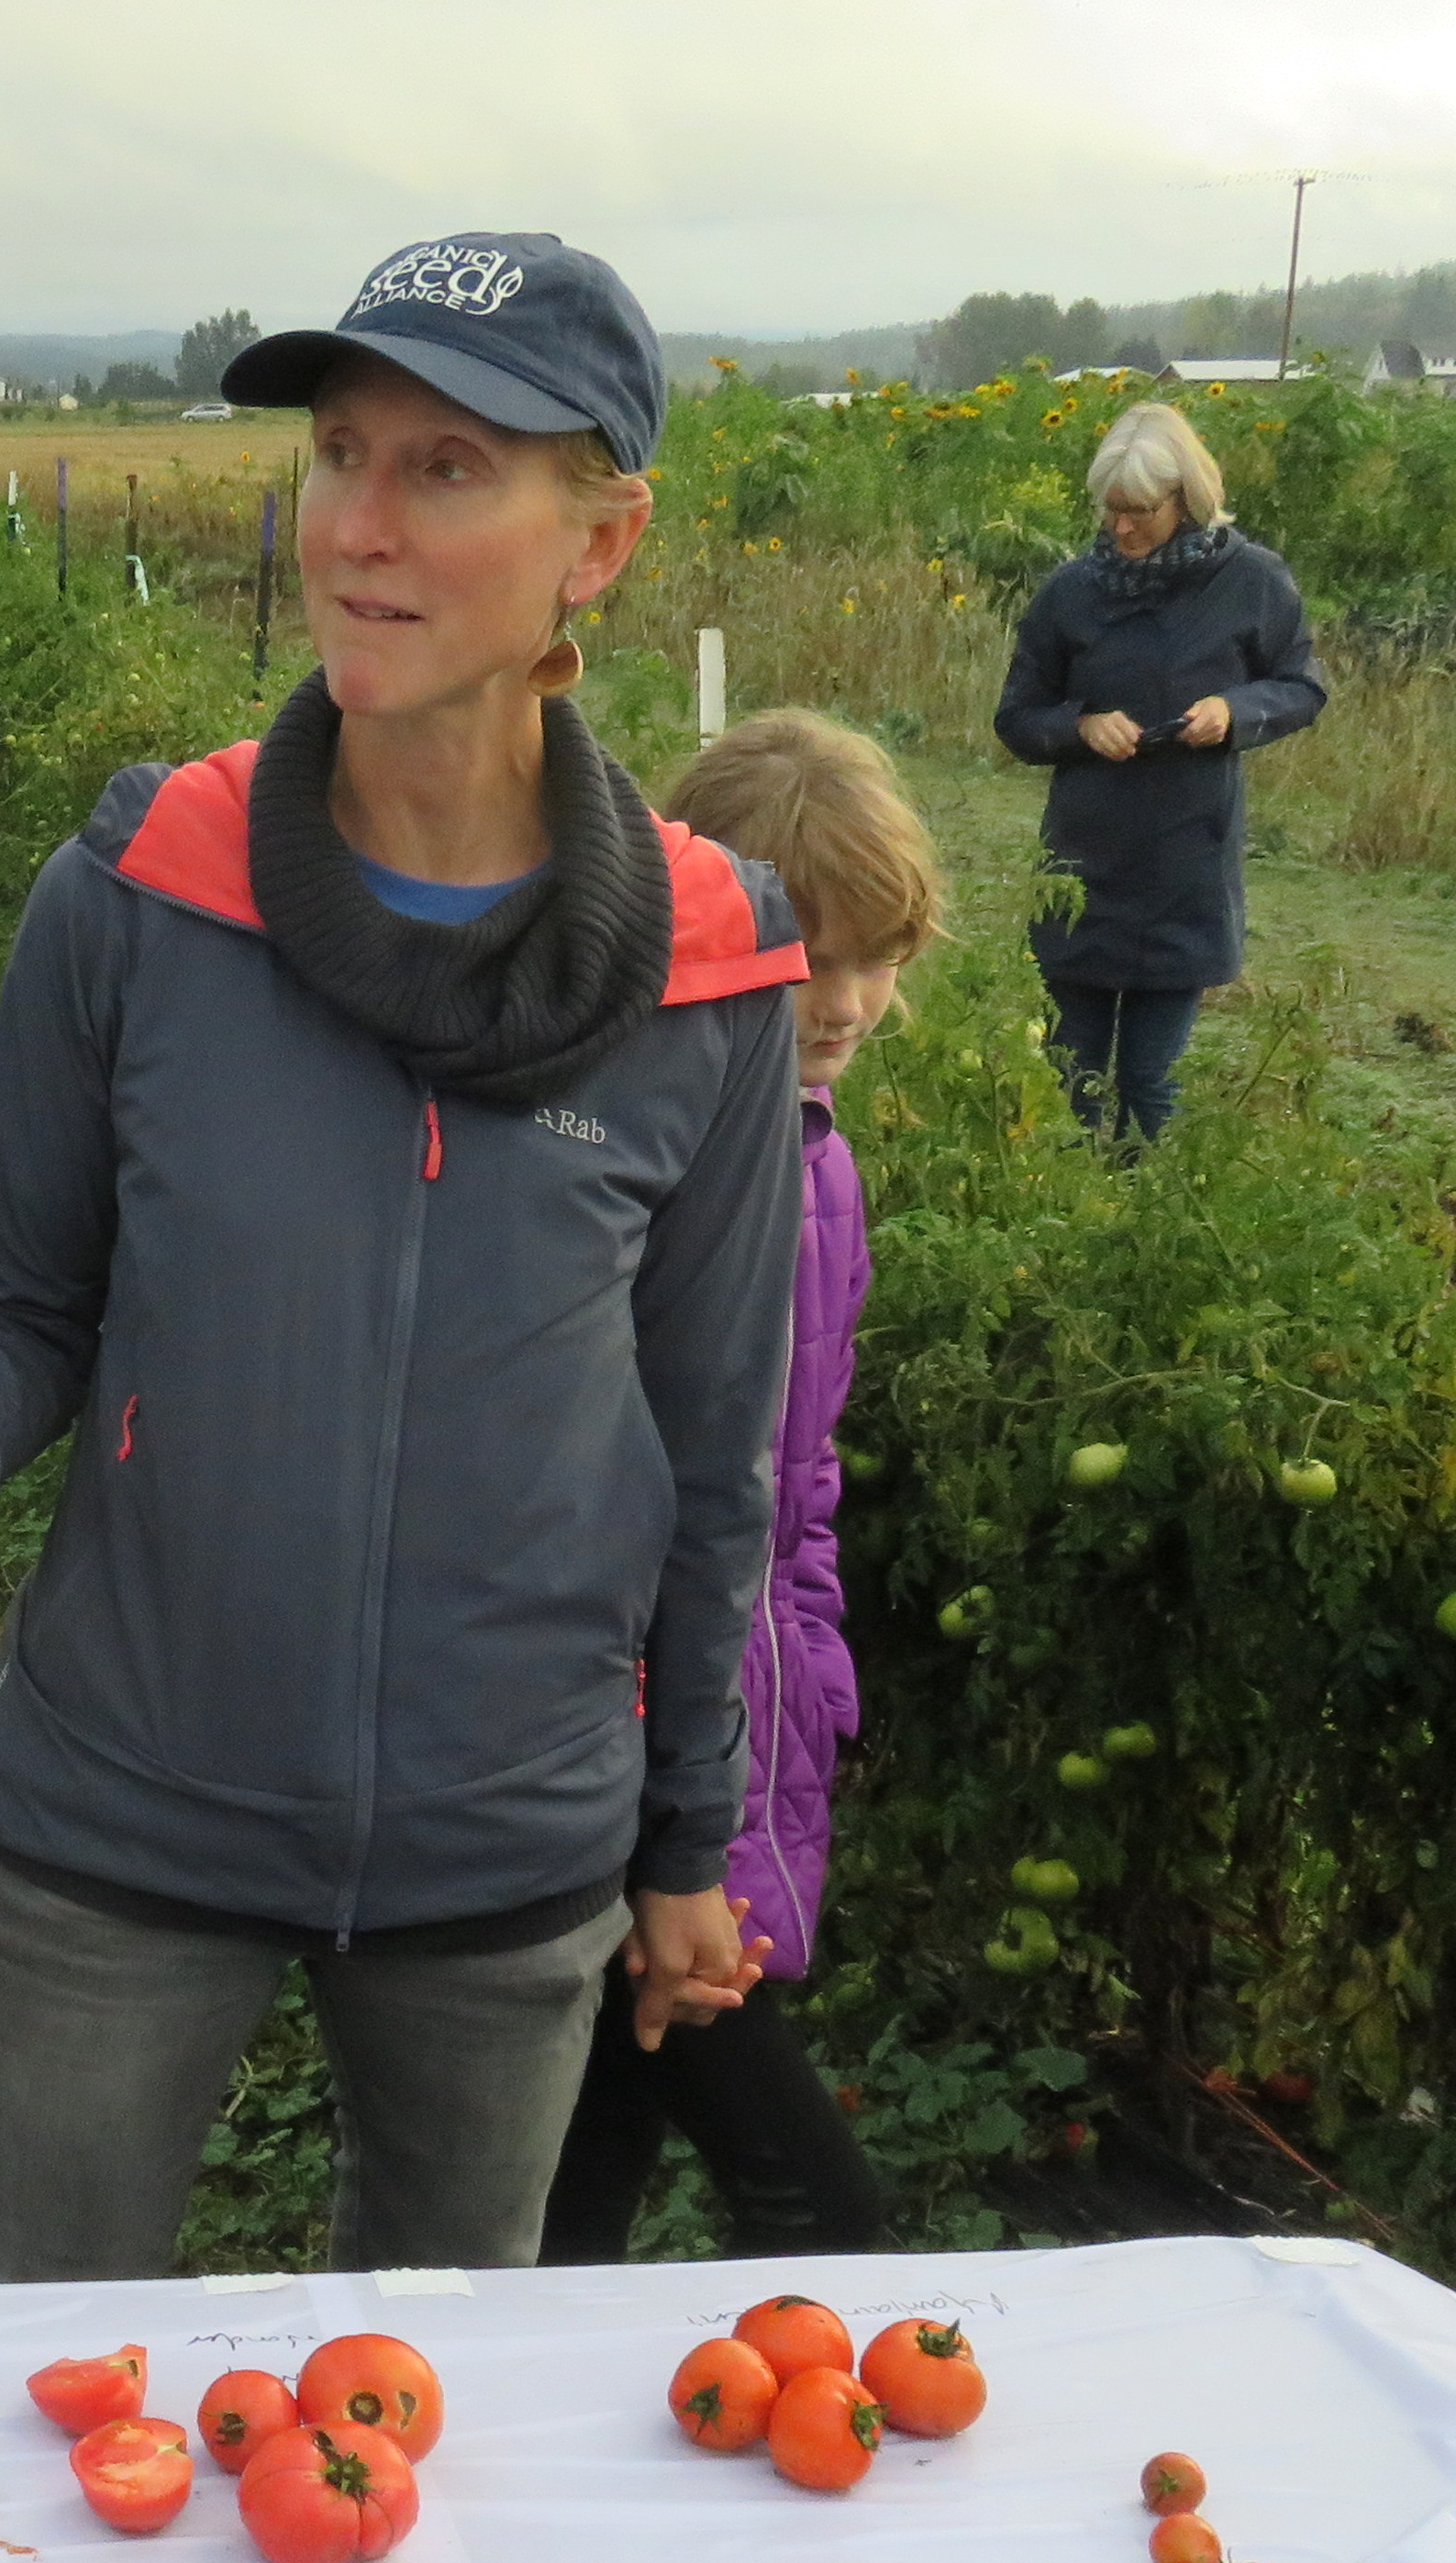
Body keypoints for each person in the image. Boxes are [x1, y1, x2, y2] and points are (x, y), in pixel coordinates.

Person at [0, 231, 809, 2281]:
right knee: (52, 2402)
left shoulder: (708, 977)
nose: (355, 528)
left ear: (599, 541)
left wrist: (681, 1843)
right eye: (337, 453)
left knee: (414, 2426)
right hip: (124, 1832)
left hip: (503, 1856)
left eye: (446, 470)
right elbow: (9, 1302)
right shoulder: (144, 891)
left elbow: (710, 1457)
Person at [540, 709, 942, 2264]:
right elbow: (633, 1521)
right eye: (807, 957)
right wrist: (674, 1849)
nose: (844, 1002)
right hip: (641, 1787)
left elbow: (794, 1494)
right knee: (821, 2220)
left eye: (878, 956)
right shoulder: (655, 1164)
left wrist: (808, 1710)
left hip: (735, 1766)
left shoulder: (810, 1157)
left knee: (583, 2186)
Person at [992, 399, 1325, 1145]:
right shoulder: (1072, 590)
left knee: (1149, 1082)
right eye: (1110, 511)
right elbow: (1017, 716)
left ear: (1188, 500)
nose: (1121, 528)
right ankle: (1066, 1217)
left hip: (1187, 863)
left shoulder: (1253, 581)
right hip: (1082, 865)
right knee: (1070, 1076)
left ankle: (1139, 1226)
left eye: (1138, 510)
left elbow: (1303, 687)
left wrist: (1234, 712)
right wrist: (1079, 725)